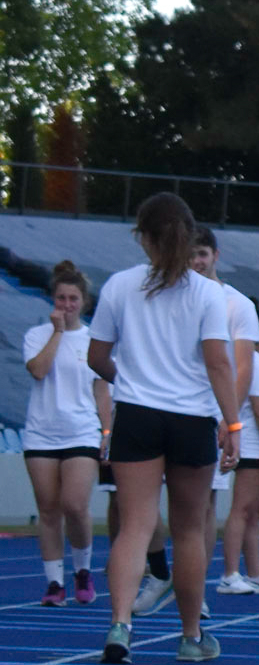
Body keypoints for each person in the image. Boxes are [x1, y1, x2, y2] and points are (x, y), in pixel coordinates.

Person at [85, 192, 240, 664]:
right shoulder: (209, 293)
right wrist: (232, 423)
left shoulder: (118, 286)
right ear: (189, 237)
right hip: (192, 418)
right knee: (191, 529)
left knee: (135, 526)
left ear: (143, 237)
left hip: (136, 414)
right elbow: (218, 364)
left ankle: (120, 626)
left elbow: (96, 358)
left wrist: (130, 380)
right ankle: (192, 636)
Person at [22, 260, 108, 606]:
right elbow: (39, 371)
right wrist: (57, 332)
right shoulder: (36, 335)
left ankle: (83, 570)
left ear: (84, 302)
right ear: (53, 300)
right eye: (61, 298)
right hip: (41, 433)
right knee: (48, 509)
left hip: (82, 432)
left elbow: (102, 389)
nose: (67, 305)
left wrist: (106, 431)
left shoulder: (93, 341)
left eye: (73, 299)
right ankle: (54, 583)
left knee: (75, 505)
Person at [187, 228, 259, 593]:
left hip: (211, 414)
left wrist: (229, 420)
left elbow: (242, 367)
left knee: (203, 506)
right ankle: (157, 573)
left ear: (216, 255)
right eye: (190, 255)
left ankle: (195, 592)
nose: (196, 262)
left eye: (201, 253)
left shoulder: (237, 304)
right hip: (174, 410)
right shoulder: (175, 296)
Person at [214, 308, 259, 595]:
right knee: (242, 509)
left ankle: (255, 573)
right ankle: (230, 573)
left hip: (257, 444)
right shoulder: (254, 362)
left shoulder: (256, 362)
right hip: (253, 443)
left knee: (254, 512)